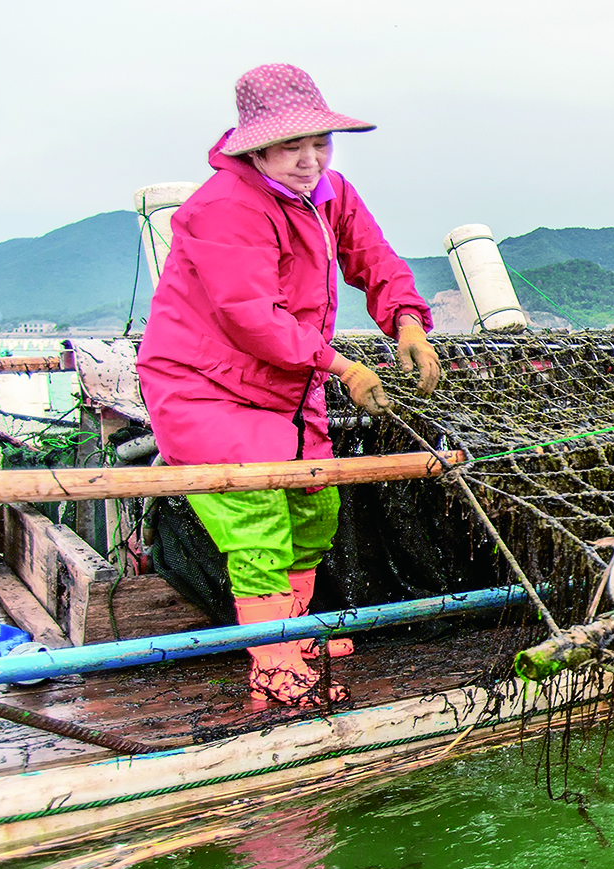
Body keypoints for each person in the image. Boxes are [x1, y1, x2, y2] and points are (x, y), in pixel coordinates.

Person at [136, 63, 442, 705]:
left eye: (319, 143)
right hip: (202, 385)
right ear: (255, 147)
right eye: (291, 146)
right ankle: (274, 666)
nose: (309, 160)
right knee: (256, 514)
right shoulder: (220, 208)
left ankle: (292, 632)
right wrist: (348, 368)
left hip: (286, 386)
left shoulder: (332, 192)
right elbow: (254, 319)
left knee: (314, 507)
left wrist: (408, 321)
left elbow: (375, 259)